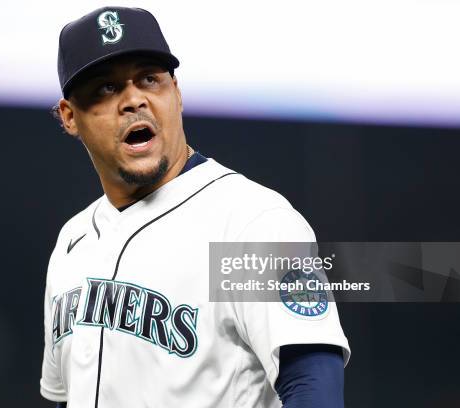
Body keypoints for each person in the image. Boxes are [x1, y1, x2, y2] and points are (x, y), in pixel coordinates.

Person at [42, 6, 350, 408]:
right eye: (106, 88)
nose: (134, 100)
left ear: (177, 92)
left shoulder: (252, 222)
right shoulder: (72, 242)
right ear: (69, 117)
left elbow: (313, 387)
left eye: (150, 79)